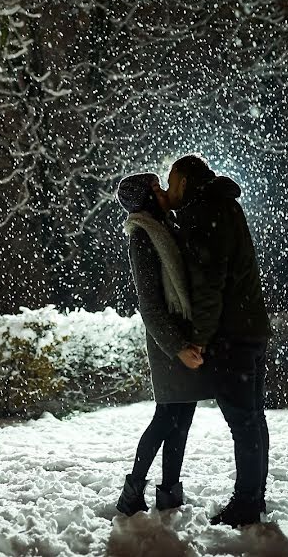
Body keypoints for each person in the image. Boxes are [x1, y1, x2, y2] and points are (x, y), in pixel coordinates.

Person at [166, 154, 272, 527]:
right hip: (252, 329)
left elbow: (210, 285)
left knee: (243, 424)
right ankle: (253, 498)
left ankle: (246, 506)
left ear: (183, 181)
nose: (167, 189)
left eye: (170, 180)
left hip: (232, 336)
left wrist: (199, 339)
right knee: (254, 420)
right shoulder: (225, 206)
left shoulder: (204, 212)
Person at [115, 172, 213, 516]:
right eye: (155, 189)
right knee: (166, 417)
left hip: (184, 335)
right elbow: (149, 303)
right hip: (166, 341)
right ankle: (132, 493)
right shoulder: (143, 236)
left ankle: (170, 493)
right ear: (144, 199)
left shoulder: (168, 228)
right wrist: (176, 346)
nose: (161, 192)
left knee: (182, 417)